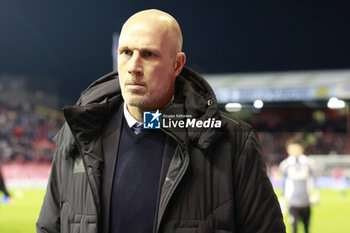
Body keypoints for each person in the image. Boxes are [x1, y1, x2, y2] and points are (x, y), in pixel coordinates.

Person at [37, 9, 285, 233]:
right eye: (126, 52)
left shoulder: (233, 143)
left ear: (176, 64)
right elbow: (49, 227)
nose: (134, 66)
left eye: (148, 54)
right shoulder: (78, 135)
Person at [279, 139, 317, 233]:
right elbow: (283, 182)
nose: (295, 150)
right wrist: (283, 198)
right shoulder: (285, 164)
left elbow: (313, 179)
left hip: (306, 201)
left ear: (301, 148)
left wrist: (315, 192)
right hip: (293, 202)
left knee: (306, 228)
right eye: (292, 148)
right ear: (288, 150)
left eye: (297, 147)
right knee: (294, 228)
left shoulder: (309, 162)